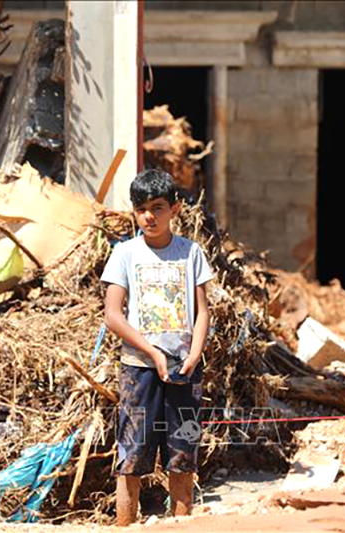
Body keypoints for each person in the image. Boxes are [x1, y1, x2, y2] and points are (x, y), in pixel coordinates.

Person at [101, 169, 214, 526]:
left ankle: (180, 523)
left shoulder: (190, 253)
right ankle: (125, 523)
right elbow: (112, 316)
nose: (149, 216)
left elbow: (202, 312)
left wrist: (194, 354)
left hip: (184, 370)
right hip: (138, 370)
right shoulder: (125, 254)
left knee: (182, 456)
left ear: (175, 209)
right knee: (131, 457)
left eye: (158, 207)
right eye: (141, 209)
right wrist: (152, 353)